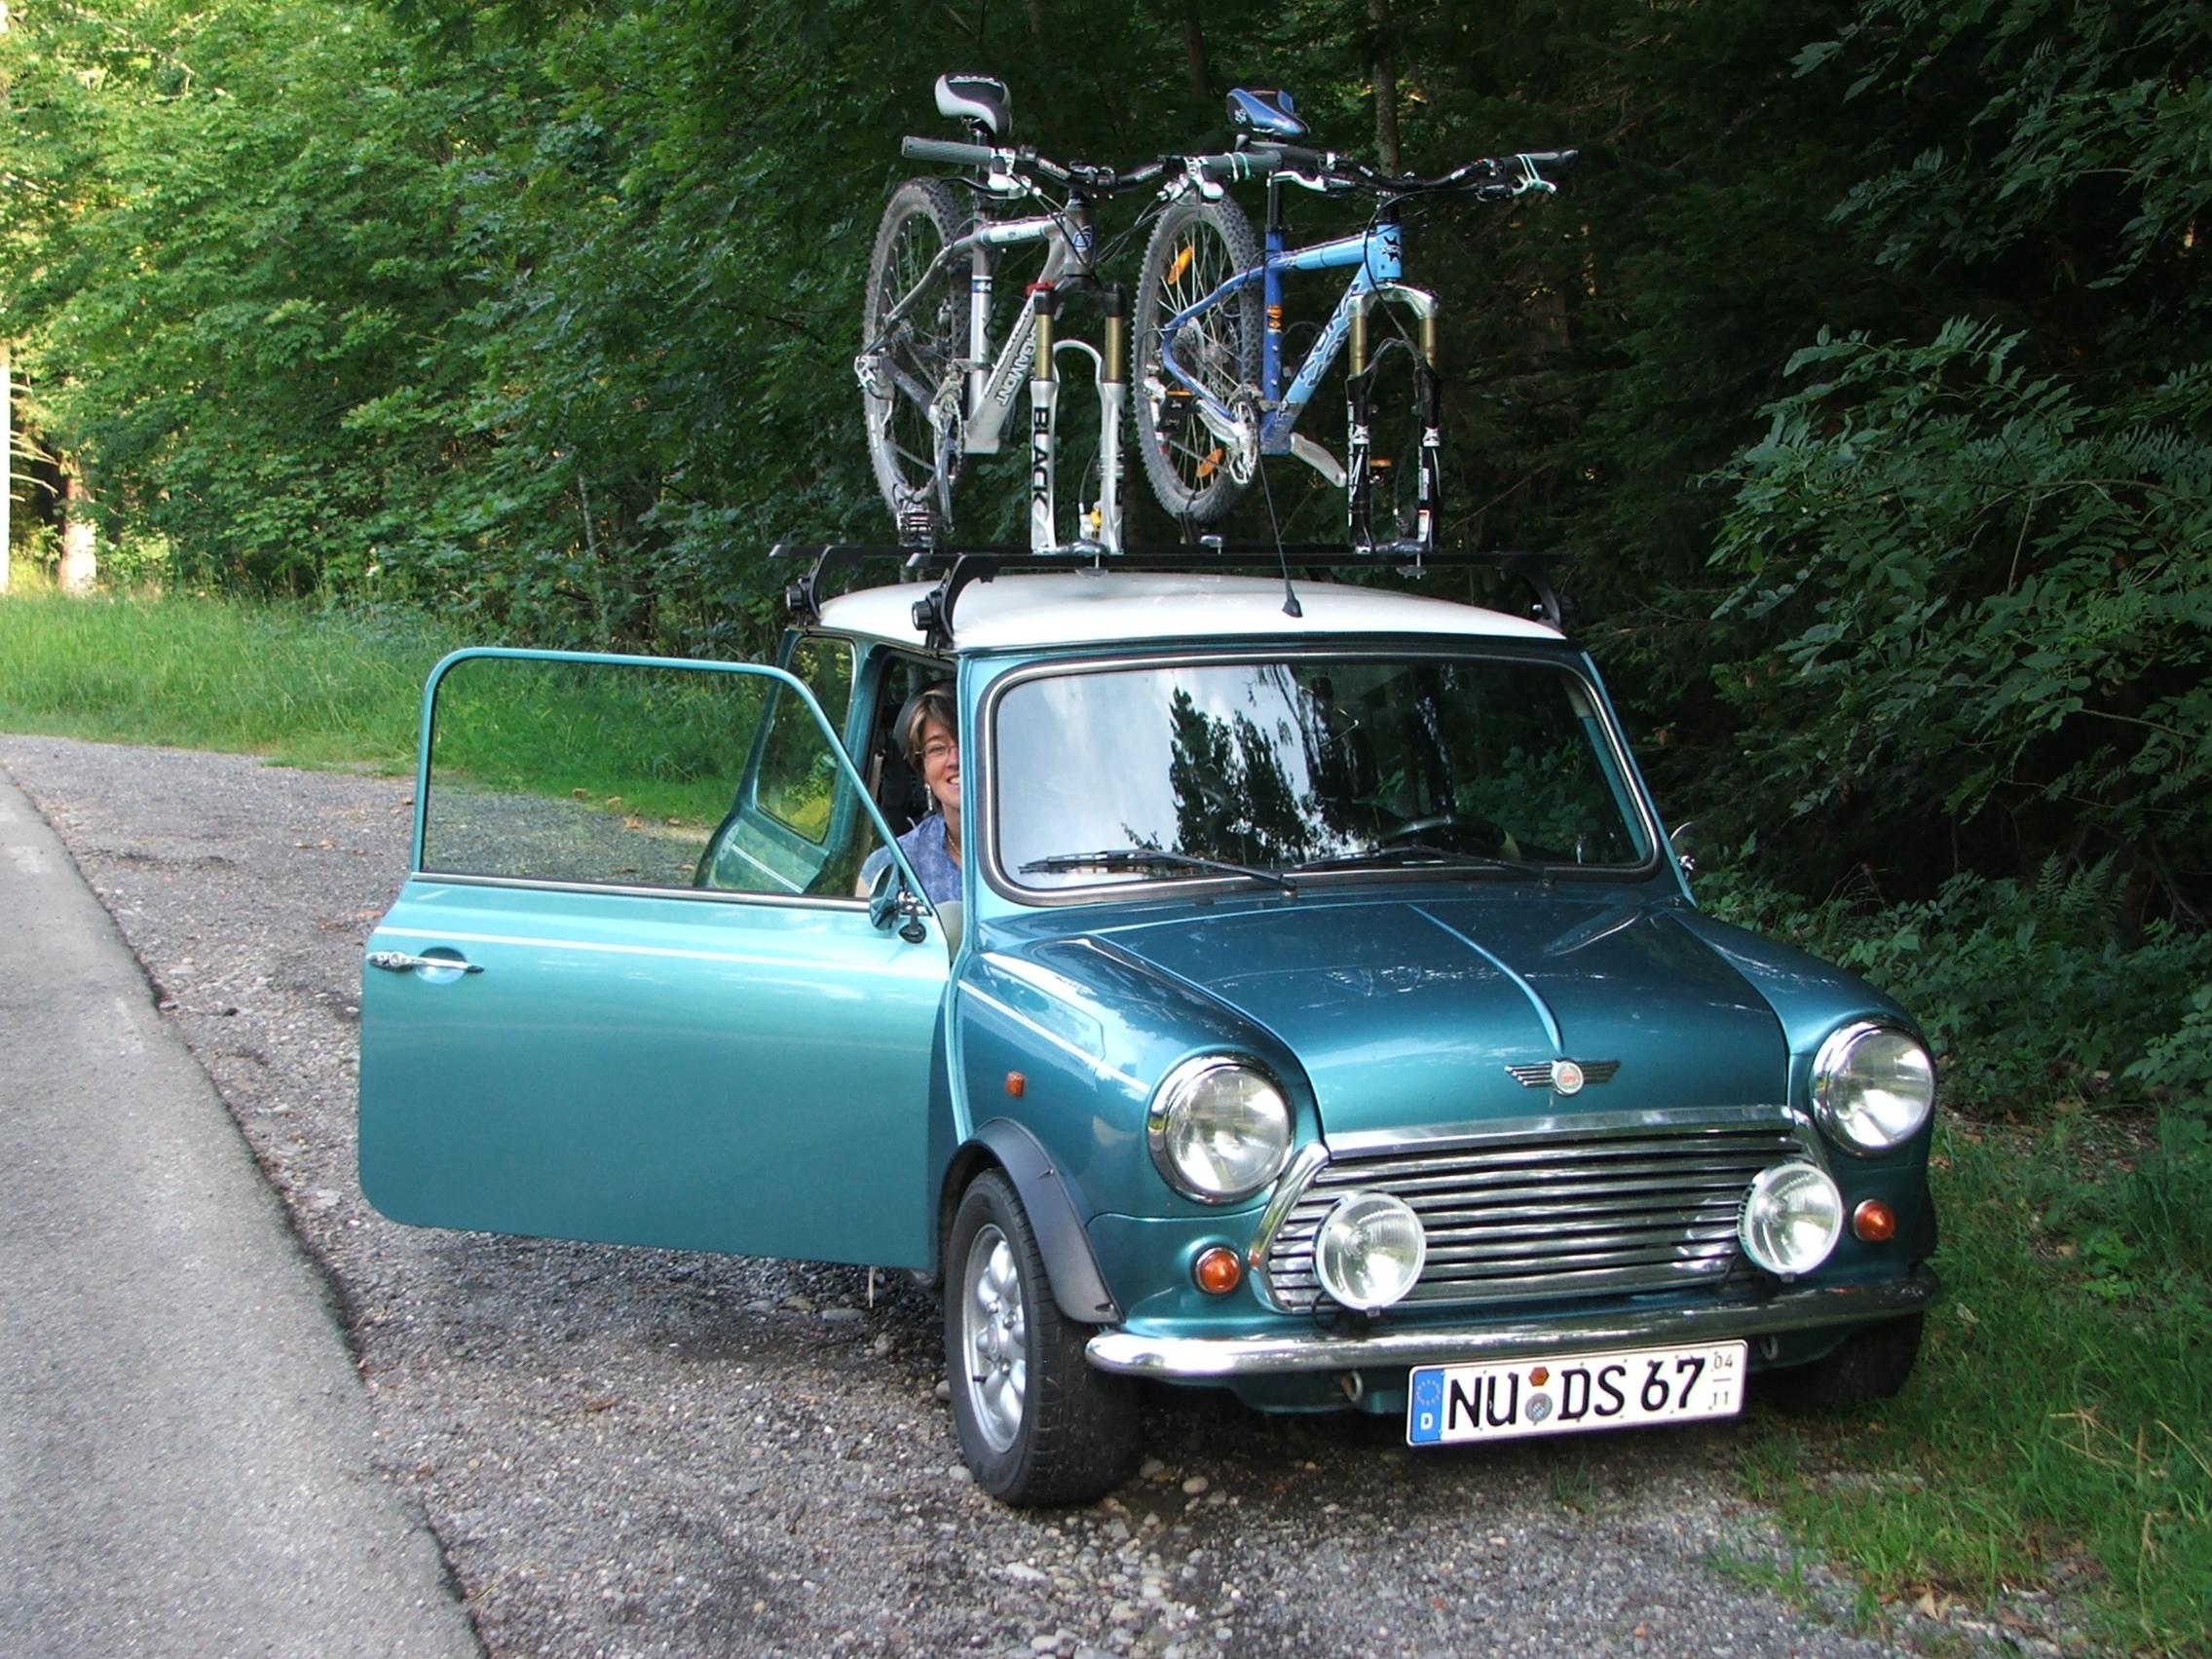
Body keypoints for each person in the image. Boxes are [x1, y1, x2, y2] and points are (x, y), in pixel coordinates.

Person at [858, 685, 961, 904]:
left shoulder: (1036, 843)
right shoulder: (888, 870)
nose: (955, 760)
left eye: (966, 742)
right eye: (937, 748)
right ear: (923, 770)